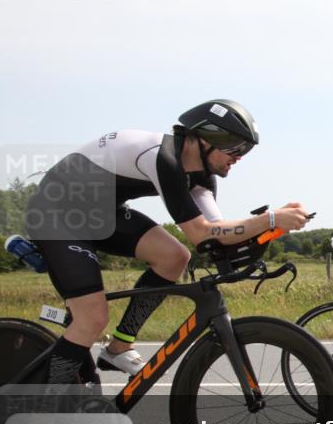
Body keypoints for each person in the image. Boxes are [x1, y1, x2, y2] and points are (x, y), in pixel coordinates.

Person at [25, 99, 311, 383]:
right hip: (56, 213)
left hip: (101, 214)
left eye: (245, 150)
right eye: (235, 147)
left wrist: (270, 231)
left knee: (174, 256)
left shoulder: (201, 177)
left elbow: (217, 235)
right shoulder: (163, 158)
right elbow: (199, 232)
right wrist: (269, 219)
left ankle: (120, 346)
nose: (240, 156)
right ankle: (48, 404)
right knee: (92, 319)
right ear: (204, 139)